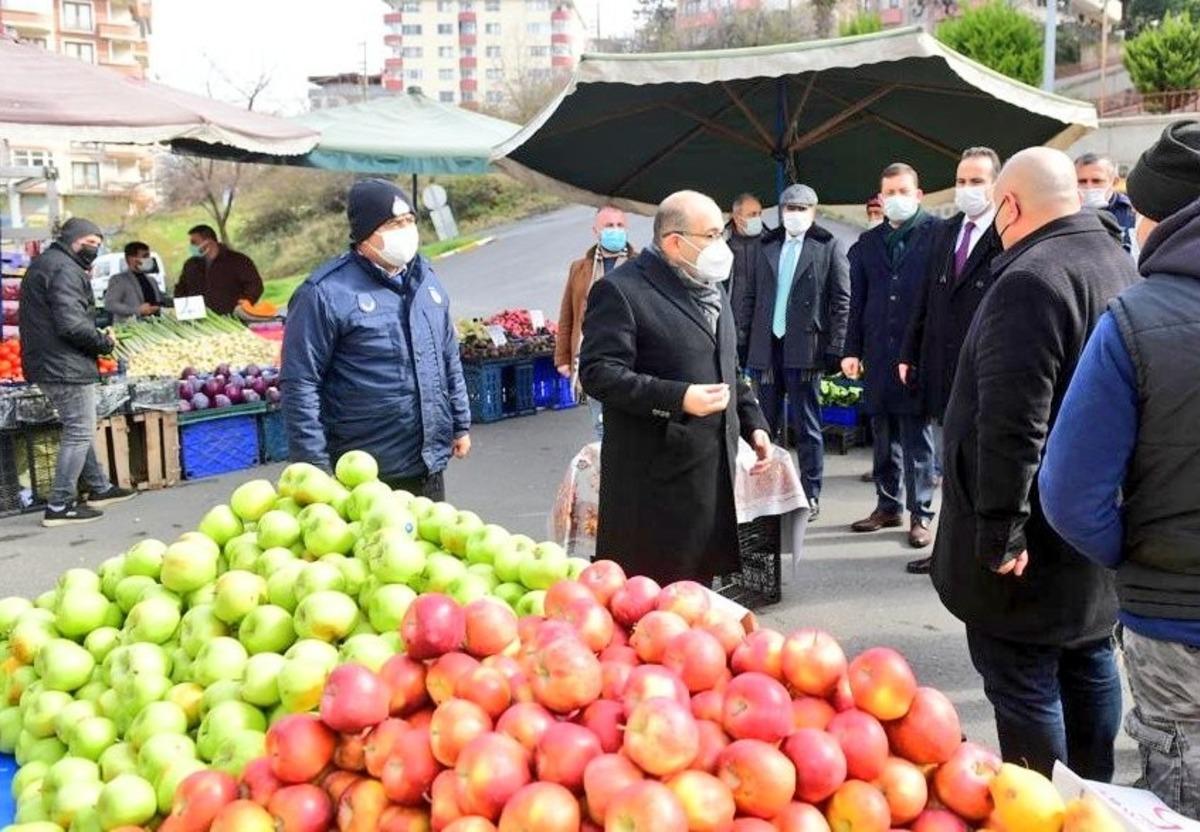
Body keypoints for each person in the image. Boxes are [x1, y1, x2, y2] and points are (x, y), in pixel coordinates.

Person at [931, 147, 1139, 782]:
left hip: (1033, 534)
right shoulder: (1117, 262)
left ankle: (1045, 804)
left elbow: (1014, 423)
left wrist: (1000, 528)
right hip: (1097, 520)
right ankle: (1094, 797)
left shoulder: (1031, 279)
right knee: (1088, 658)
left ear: (1011, 205)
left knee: (1025, 680)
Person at [1040, 121, 1200, 818]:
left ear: (1157, 216)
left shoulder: (1135, 320)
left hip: (1175, 623)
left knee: (1184, 787)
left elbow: (1070, 495)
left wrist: (1132, 553)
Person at [579, 189, 772, 586]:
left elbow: (727, 363)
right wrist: (678, 397)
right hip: (654, 482)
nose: (722, 244)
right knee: (659, 600)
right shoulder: (622, 291)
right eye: (713, 235)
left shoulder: (709, 282)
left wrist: (754, 422)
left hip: (709, 471)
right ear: (674, 242)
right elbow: (599, 373)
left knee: (700, 590)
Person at [282, 179, 471, 499]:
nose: (406, 230)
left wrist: (460, 422)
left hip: (427, 463)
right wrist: (314, 466)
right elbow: (300, 383)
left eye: (410, 221)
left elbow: (448, 354)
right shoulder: (325, 293)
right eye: (394, 224)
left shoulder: (427, 280)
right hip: (364, 473)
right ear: (366, 233)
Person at [899, 147, 1004, 574]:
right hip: (944, 366)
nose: (967, 189)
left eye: (977, 181)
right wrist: (910, 350)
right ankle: (948, 551)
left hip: (988, 364)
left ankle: (981, 551)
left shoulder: (1005, 231)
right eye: (961, 181)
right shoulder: (944, 233)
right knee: (950, 461)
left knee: (981, 463)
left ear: (996, 185)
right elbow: (924, 297)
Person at [843, 163, 942, 548]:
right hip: (877, 351)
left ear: (918, 195)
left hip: (916, 352)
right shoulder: (868, 244)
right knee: (883, 435)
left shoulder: (937, 235)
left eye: (903, 191)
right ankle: (888, 505)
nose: (895, 199)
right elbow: (857, 301)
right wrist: (851, 349)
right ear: (880, 199)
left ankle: (921, 514)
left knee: (916, 437)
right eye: (889, 193)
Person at [739, 184, 850, 521]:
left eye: (802, 209)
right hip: (767, 346)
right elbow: (749, 296)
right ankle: (770, 491)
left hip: (806, 346)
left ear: (813, 211)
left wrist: (836, 347)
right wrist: (744, 340)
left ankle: (810, 493)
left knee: (808, 425)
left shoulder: (828, 245)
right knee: (765, 422)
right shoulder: (766, 245)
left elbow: (841, 300)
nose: (795, 214)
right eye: (790, 208)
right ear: (781, 211)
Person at [19, 218, 136, 526]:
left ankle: (99, 488)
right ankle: (59, 505)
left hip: (50, 361)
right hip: (65, 364)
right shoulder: (64, 270)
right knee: (79, 430)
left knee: (77, 426)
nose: (95, 251)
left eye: (98, 245)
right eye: (90, 244)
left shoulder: (48, 263)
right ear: (74, 240)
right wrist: (103, 342)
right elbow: (71, 323)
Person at [555, 205, 636, 440]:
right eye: (609, 226)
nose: (615, 230)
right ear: (596, 231)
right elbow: (567, 314)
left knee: (629, 425)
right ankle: (607, 474)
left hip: (630, 360)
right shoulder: (580, 268)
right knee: (601, 426)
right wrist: (562, 359)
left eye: (620, 225)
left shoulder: (639, 265)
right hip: (593, 358)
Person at [174, 224, 264, 315]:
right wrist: (182, 310)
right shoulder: (190, 265)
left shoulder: (238, 261)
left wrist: (243, 305)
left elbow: (255, 286)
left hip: (233, 319)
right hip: (198, 320)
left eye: (194, 242)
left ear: (208, 241)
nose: (191, 246)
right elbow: (181, 289)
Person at [1076, 152, 1136, 252]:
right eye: (1082, 181)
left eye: (1096, 181)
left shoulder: (1131, 212)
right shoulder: (1064, 212)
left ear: (1114, 182)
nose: (1089, 187)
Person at [727, 192, 764, 341]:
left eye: (759, 214)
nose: (757, 218)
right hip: (729, 327)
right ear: (737, 217)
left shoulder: (770, 244)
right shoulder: (721, 244)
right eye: (752, 214)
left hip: (759, 330)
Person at [104, 241, 165, 323]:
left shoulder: (152, 280)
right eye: (145, 256)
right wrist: (137, 310)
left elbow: (161, 300)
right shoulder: (118, 280)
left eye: (148, 256)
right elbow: (110, 304)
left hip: (155, 326)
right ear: (131, 259)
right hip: (131, 329)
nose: (148, 259)